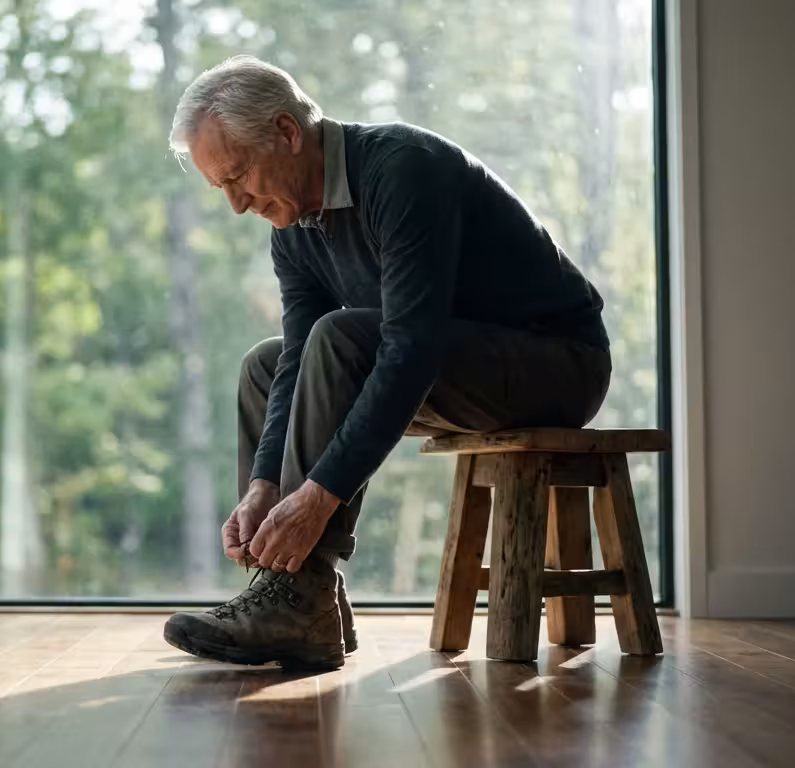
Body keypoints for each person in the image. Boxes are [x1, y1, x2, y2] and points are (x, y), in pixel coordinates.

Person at [162, 56, 611, 669]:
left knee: (345, 337)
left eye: (240, 176)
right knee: (265, 367)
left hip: (557, 365)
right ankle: (296, 591)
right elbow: (297, 361)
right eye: (223, 189)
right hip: (458, 370)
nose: (238, 205)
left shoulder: (403, 168)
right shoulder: (292, 227)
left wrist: (318, 498)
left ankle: (297, 593)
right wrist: (266, 483)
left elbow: (409, 347)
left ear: (288, 133)